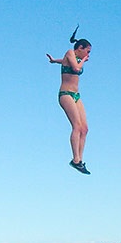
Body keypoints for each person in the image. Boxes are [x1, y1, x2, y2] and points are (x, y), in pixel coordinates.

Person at [47, 26, 92, 174]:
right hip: (65, 94)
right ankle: (75, 159)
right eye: (87, 52)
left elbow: (65, 62)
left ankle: (80, 160)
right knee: (77, 126)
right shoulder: (71, 53)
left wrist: (55, 61)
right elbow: (76, 68)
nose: (88, 55)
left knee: (84, 129)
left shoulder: (72, 57)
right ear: (80, 48)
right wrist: (84, 60)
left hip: (76, 95)